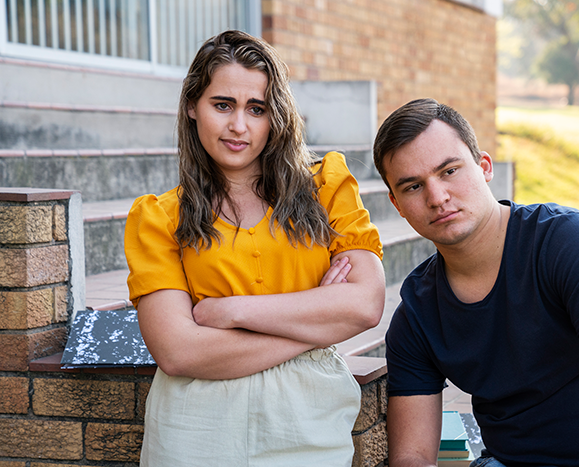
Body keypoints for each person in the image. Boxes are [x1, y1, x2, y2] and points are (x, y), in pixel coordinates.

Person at [124, 30, 385, 467]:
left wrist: (231, 312)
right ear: (192, 106)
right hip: (193, 427)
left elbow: (364, 305)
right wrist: (316, 323)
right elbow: (178, 351)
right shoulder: (157, 217)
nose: (238, 126)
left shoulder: (327, 187)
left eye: (257, 109)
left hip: (309, 421)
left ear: (275, 116)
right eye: (222, 104)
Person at [372, 98, 579, 467]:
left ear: (485, 167)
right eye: (413, 187)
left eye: (449, 171)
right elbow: (412, 456)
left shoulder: (567, 242)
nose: (437, 197)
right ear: (396, 203)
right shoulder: (417, 315)